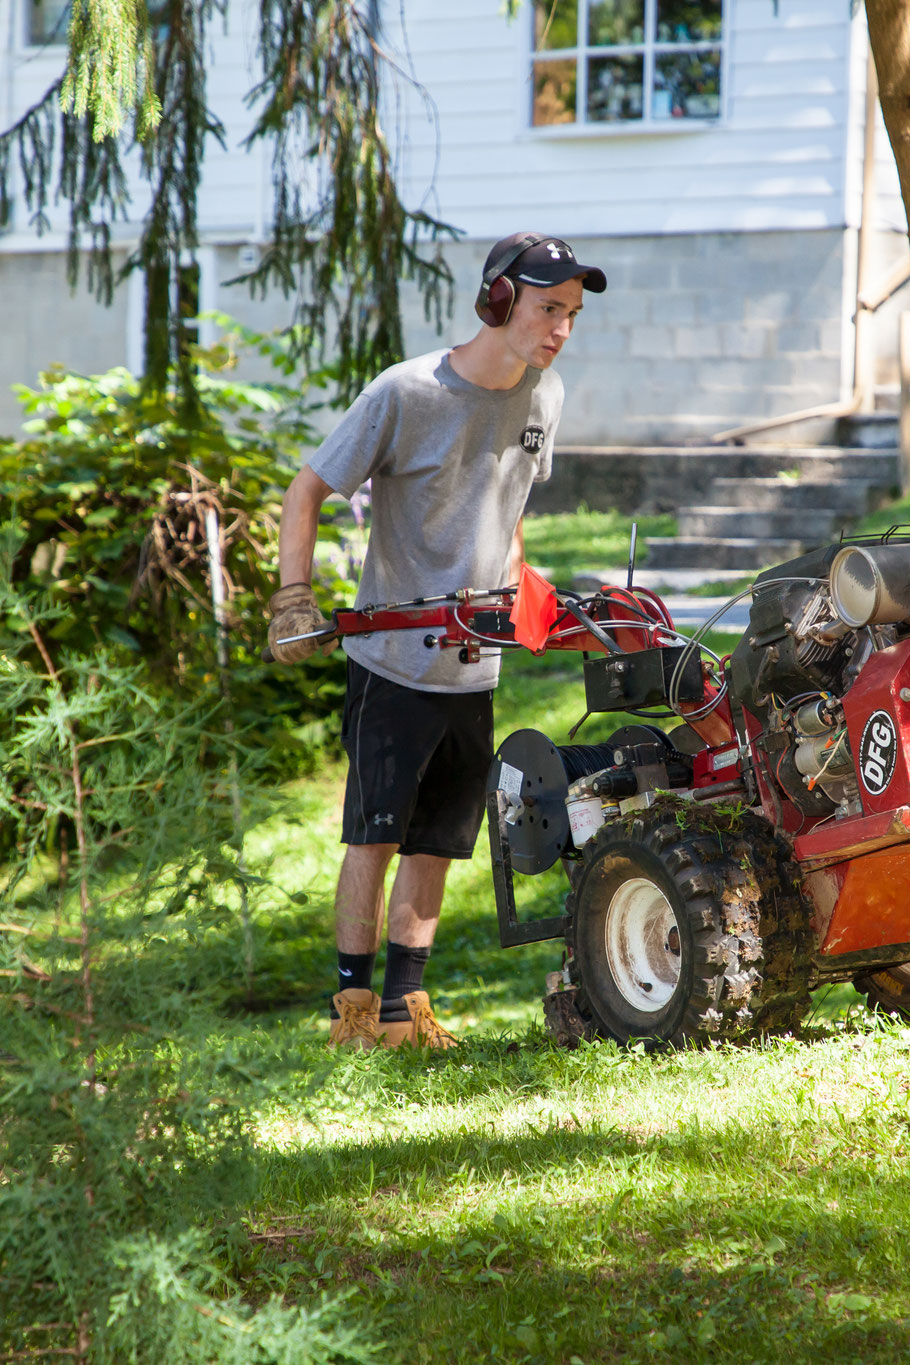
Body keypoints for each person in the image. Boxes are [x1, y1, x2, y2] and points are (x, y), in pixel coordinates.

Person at [267, 232, 605, 1050]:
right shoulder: (406, 392)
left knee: (438, 842)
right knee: (375, 833)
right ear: (497, 300)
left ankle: (404, 1011)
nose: (560, 328)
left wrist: (524, 589)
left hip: (473, 664)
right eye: (547, 308)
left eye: (572, 315)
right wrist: (291, 595)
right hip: (393, 659)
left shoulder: (544, 397)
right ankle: (351, 1009)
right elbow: (307, 488)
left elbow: (508, 507)